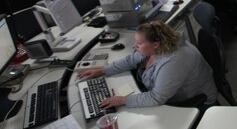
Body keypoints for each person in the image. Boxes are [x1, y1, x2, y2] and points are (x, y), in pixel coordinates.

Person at [77, 21, 218, 108]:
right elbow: (131, 60)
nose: (134, 46)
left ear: (155, 44)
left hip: (195, 102)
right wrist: (103, 70)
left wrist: (123, 100)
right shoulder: (158, 46)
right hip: (169, 94)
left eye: (139, 43)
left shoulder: (175, 61)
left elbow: (156, 98)